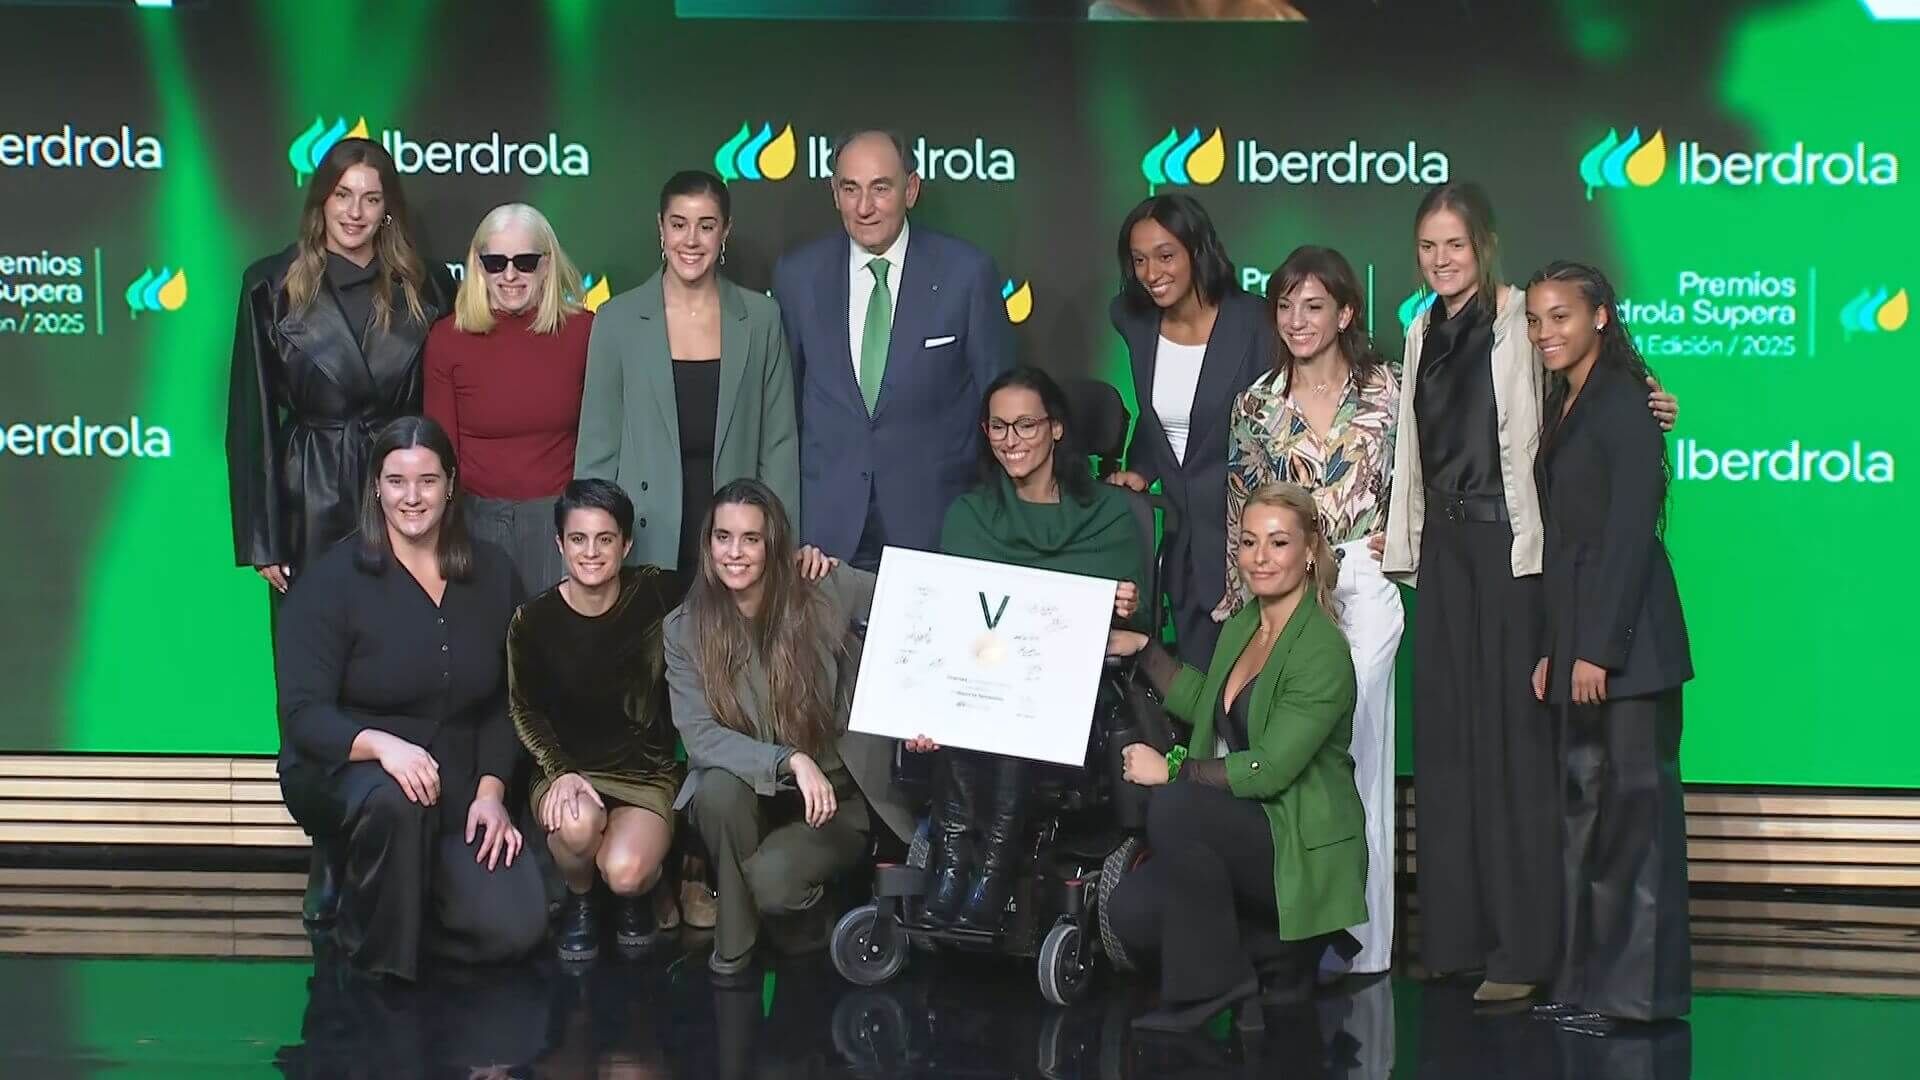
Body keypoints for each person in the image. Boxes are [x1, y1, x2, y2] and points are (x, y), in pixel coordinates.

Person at [1378, 181, 1678, 1003]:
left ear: (1484, 244)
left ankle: (1522, 949)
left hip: (1510, 551)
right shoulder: (1420, 329)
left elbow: (1591, 395)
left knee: (1513, 748)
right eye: (1428, 247)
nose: (1442, 260)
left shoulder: (1522, 320)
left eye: (1456, 245)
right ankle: (1455, 936)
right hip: (1444, 553)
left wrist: (1654, 400)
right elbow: (1415, 445)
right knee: (1446, 742)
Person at [227, 136, 452, 926]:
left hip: (401, 499)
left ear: (388, 208)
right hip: (309, 498)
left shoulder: (425, 286)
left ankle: (388, 840)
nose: (355, 212)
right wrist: (265, 537)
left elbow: (437, 409)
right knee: (314, 683)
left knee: (391, 668)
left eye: (370, 197)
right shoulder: (270, 284)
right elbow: (252, 418)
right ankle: (327, 846)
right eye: (342, 195)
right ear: (320, 201)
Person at [274, 416, 546, 981]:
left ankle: (405, 901)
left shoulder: (493, 573)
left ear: (451, 484)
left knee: (514, 929)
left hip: (456, 774)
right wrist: (381, 746)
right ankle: (378, 964)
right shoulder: (332, 581)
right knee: (396, 804)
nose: (412, 497)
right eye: (396, 481)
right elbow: (303, 716)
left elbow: (508, 700)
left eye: (427, 480)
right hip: (351, 771)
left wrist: (492, 793)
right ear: (376, 487)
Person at [1104, 483, 1365, 1032]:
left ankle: (1210, 988)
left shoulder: (1322, 650)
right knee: (1131, 910)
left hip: (1295, 841)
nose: (1260, 558)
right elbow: (1210, 703)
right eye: (1249, 542)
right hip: (1250, 830)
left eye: (1278, 542)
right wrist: (1145, 650)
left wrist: (1172, 770)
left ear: (1310, 550)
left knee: (1175, 806)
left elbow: (1270, 769)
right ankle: (1271, 956)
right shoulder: (1247, 625)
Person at [910, 367, 1146, 931]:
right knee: (981, 697)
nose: (1010, 440)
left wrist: (1116, 607)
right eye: (998, 426)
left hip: (1074, 692)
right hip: (981, 683)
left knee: (1016, 704)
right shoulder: (969, 516)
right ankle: (953, 863)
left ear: (1056, 428)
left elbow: (1126, 629)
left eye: (1025, 425)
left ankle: (991, 871)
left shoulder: (1111, 515)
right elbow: (953, 622)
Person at [1524, 262, 1694, 1027]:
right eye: (1536, 319)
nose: (1545, 332)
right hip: (1580, 639)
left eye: (1560, 316)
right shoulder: (1567, 399)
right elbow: (1566, 543)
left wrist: (1599, 648)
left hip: (1632, 649)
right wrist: (1554, 648)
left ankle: (1639, 998)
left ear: (1599, 316)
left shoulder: (1626, 400)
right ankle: (1584, 982)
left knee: (1636, 821)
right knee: (1587, 815)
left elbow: (1628, 535)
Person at [1225, 245, 1401, 978]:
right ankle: (1299, 935)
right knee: (1293, 756)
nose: (1297, 320)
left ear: (1346, 312)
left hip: (1363, 580)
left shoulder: (1391, 390)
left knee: (1358, 756)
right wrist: (1242, 607)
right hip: (1286, 594)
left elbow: (1436, 471)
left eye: (1314, 305)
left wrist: (1409, 538)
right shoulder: (1257, 404)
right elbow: (1241, 507)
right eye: (1286, 306)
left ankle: (1364, 943)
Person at [664, 479, 916, 981]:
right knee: (715, 791)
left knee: (773, 883)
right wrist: (789, 760)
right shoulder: (684, 627)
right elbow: (700, 736)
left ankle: (806, 918)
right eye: (723, 537)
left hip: (835, 803)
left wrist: (917, 714)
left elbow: (916, 602)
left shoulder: (822, 587)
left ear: (773, 543)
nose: (734, 553)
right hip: (756, 795)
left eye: (751, 539)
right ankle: (734, 946)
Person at [771, 130, 1014, 569]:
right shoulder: (798, 275)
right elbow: (783, 410)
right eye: (851, 189)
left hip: (936, 528)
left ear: (911, 189)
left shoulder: (967, 273)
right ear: (834, 193)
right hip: (824, 538)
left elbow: (998, 402)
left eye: (880, 188)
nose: (864, 207)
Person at [577, 170, 798, 590]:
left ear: (725, 231)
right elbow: (597, 453)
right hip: (642, 548)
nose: (691, 240)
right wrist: (592, 553)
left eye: (706, 226)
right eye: (679, 224)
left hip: (736, 553)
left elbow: (778, 448)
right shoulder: (617, 320)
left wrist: (780, 550)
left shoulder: (761, 319)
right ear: (661, 229)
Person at [508, 479, 684, 962]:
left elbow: (729, 581)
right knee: (578, 825)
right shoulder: (532, 621)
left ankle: (636, 889)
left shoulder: (657, 592)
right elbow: (524, 709)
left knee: (625, 871)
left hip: (644, 773)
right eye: (578, 539)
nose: (591, 552)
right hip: (566, 769)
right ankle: (581, 898)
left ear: (625, 544)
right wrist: (559, 770)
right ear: (559, 544)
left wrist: (805, 561)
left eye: (605, 539)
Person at [1107, 194, 1273, 666]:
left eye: (1165, 256)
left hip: (1252, 545)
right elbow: (1162, 413)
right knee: (1199, 692)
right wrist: (1142, 467)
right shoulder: (1134, 320)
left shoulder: (1257, 322)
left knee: (1256, 695)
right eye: (1139, 260)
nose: (1151, 273)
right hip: (1184, 547)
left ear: (1197, 251)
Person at [425, 203, 593, 598]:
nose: (510, 275)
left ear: (547, 265)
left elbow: (602, 439)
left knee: (552, 636)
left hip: (560, 521)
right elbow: (441, 450)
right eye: (496, 262)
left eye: (526, 262)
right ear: (478, 266)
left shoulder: (585, 332)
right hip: (475, 520)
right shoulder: (447, 339)